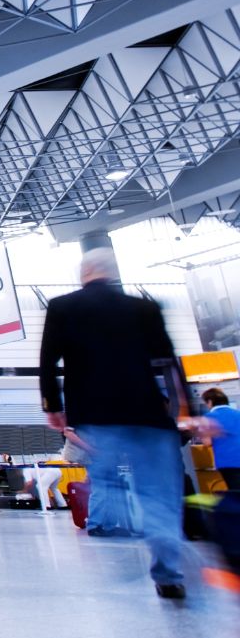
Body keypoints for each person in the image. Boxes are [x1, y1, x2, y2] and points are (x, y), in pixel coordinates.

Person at [41, 248, 206, 600]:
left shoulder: (63, 308)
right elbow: (168, 362)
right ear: (114, 274)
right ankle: (168, 572)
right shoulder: (144, 308)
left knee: (107, 480)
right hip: (147, 412)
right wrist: (189, 410)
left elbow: (47, 361)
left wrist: (53, 406)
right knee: (159, 496)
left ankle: (118, 532)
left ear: (83, 273)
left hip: (97, 414)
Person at [204, 388, 240, 490]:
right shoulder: (238, 413)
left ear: (210, 402)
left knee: (236, 493)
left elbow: (207, 442)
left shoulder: (208, 417)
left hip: (228, 462)